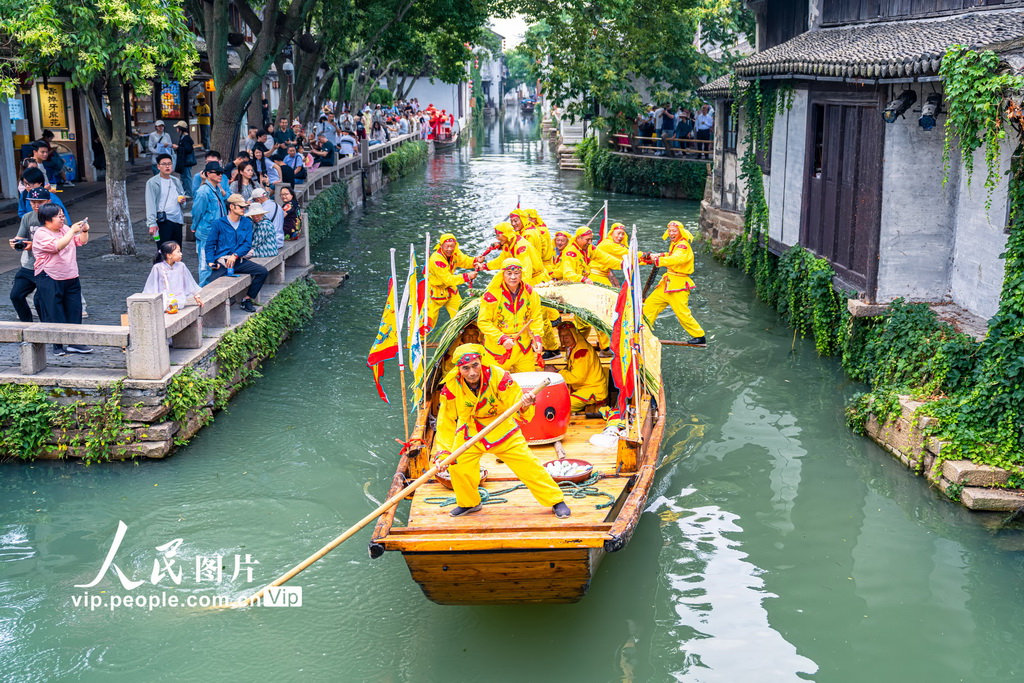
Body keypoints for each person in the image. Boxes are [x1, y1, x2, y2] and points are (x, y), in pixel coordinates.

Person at [431, 342, 570, 518]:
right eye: (466, 368)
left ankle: (556, 500)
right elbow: (446, 421)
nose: (472, 372)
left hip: (502, 429)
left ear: (481, 362)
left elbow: (515, 402)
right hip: (470, 431)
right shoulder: (451, 386)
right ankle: (469, 503)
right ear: (459, 369)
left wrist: (525, 404)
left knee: (529, 465)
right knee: (458, 467)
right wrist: (444, 453)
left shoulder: (499, 376)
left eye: (475, 365)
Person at [32, 203, 92, 355]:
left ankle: (75, 342)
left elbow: (81, 241)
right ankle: (57, 344)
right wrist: (72, 230)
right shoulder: (41, 233)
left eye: (63, 215)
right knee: (54, 310)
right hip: (49, 275)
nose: (62, 219)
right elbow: (57, 246)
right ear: (47, 219)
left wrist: (84, 231)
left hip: (70, 274)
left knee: (75, 309)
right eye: (59, 216)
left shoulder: (65, 229)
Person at [642, 221, 706, 345]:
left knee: (682, 313)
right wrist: (659, 255)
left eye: (674, 231)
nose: (671, 233)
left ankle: (699, 335)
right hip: (666, 284)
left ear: (680, 232)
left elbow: (677, 258)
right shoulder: (675, 244)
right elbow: (671, 255)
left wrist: (659, 260)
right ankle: (643, 332)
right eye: (670, 231)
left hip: (678, 285)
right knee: (649, 306)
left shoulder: (683, 246)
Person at [477, 259, 545, 372]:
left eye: (516, 273)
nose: (513, 277)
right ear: (502, 274)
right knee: (495, 384)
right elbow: (483, 322)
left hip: (523, 348)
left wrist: (537, 338)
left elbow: (536, 317)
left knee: (528, 381)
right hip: (497, 350)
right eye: (509, 273)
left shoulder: (530, 293)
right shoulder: (491, 295)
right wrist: (501, 338)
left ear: (521, 274)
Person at [205, 194, 269, 313]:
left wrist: (235, 255)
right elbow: (210, 244)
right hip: (223, 261)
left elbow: (247, 244)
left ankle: (248, 299)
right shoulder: (218, 223)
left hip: (238, 260)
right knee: (210, 283)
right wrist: (210, 261)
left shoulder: (246, 222)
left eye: (244, 207)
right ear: (232, 207)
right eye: (241, 207)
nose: (243, 209)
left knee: (262, 272)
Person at [8, 187, 51, 322]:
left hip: (49, 266)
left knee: (39, 301)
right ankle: (27, 326)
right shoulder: (27, 217)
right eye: (33, 202)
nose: (36, 205)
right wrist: (16, 243)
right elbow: (20, 238)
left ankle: (46, 330)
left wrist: (35, 245)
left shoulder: (55, 217)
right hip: (30, 264)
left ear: (48, 201)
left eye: (40, 202)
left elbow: (59, 242)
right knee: (16, 295)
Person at [427, 233, 478, 330]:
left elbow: (464, 260)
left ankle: (459, 336)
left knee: (460, 314)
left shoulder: (455, 253)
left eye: (452, 246)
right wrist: (467, 276)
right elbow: (448, 280)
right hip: (434, 291)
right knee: (428, 321)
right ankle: (419, 341)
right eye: (447, 246)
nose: (449, 249)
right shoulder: (436, 260)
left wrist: (475, 260)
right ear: (441, 245)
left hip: (450, 290)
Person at [556, 322, 608, 411]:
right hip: (584, 386)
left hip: (593, 390)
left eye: (567, 334)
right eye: (561, 335)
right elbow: (571, 369)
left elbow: (576, 378)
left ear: (574, 334)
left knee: (560, 405)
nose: (565, 338)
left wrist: (557, 373)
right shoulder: (574, 346)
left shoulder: (581, 352)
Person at [191, 161, 227, 286]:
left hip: (218, 232)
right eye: (217, 173)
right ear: (207, 174)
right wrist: (194, 227)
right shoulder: (203, 191)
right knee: (205, 265)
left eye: (221, 172)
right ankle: (204, 291)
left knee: (215, 263)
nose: (220, 175)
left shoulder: (216, 189)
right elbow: (197, 212)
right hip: (207, 232)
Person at [144, 241, 202, 313]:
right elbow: (152, 286)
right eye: (178, 252)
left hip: (178, 300)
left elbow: (189, 281)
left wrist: (197, 296)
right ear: (169, 255)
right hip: (163, 301)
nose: (181, 254)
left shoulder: (181, 266)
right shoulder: (157, 267)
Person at [480, 221, 544, 286]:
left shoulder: (521, 248)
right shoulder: (508, 244)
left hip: (536, 280)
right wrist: (484, 266)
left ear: (506, 234)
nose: (497, 238)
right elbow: (502, 260)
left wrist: (520, 288)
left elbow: (526, 271)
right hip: (524, 277)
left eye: (498, 235)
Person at [145, 154, 188, 249]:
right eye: (164, 164)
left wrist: (183, 201)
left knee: (176, 250)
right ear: (158, 166)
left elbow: (183, 204)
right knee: (164, 251)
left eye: (169, 164)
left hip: (177, 220)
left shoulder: (176, 181)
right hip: (163, 220)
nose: (167, 166)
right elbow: (150, 203)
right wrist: (152, 223)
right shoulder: (152, 182)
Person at [173, 121, 196, 196]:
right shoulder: (183, 137)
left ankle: (189, 192)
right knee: (184, 177)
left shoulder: (186, 138)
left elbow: (188, 150)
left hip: (186, 161)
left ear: (180, 129)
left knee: (187, 177)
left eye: (177, 128)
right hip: (184, 161)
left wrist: (178, 148)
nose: (176, 129)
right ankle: (185, 191)